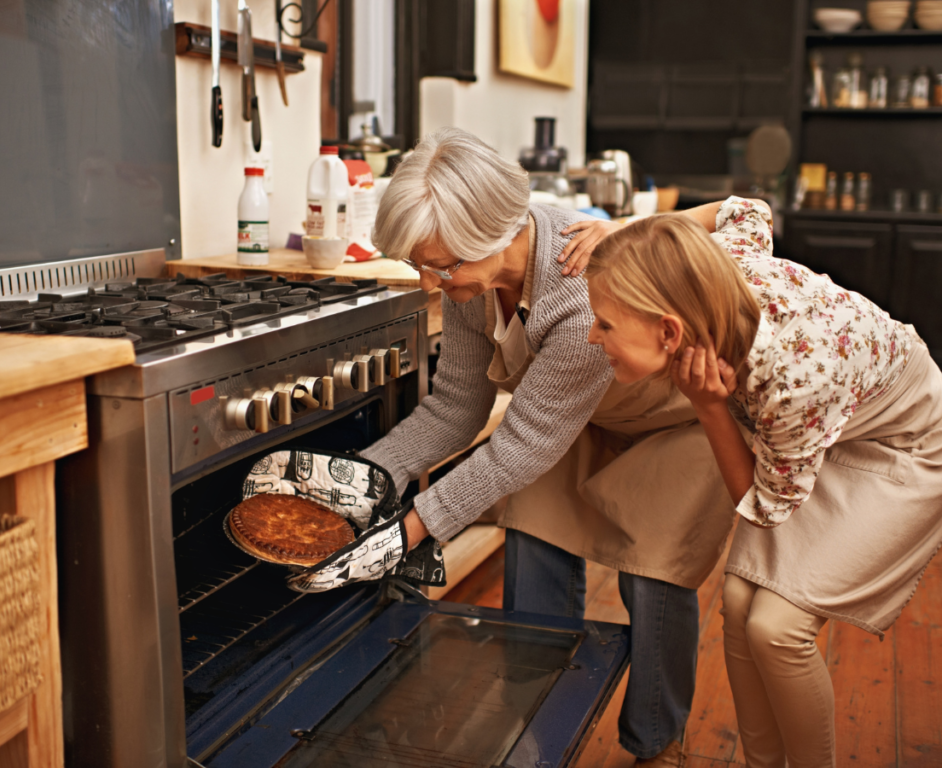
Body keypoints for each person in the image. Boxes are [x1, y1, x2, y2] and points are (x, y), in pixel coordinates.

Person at [296, 128, 738, 766]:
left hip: (670, 420)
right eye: (420, 264)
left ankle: (654, 743)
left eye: (441, 265)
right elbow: (456, 406)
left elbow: (522, 444)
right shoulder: (475, 282)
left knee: (654, 570)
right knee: (533, 538)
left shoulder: (578, 289)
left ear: (497, 234)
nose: (430, 281)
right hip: (569, 417)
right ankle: (537, 728)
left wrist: (411, 530)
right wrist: (364, 476)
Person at [576, 196, 942, 767]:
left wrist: (710, 408)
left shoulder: (796, 377)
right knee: (741, 601)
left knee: (777, 629)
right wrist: (628, 235)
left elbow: (763, 504)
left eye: (605, 325)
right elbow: (748, 208)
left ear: (670, 333)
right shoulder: (714, 270)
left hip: (905, 445)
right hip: (824, 432)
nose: (594, 338)